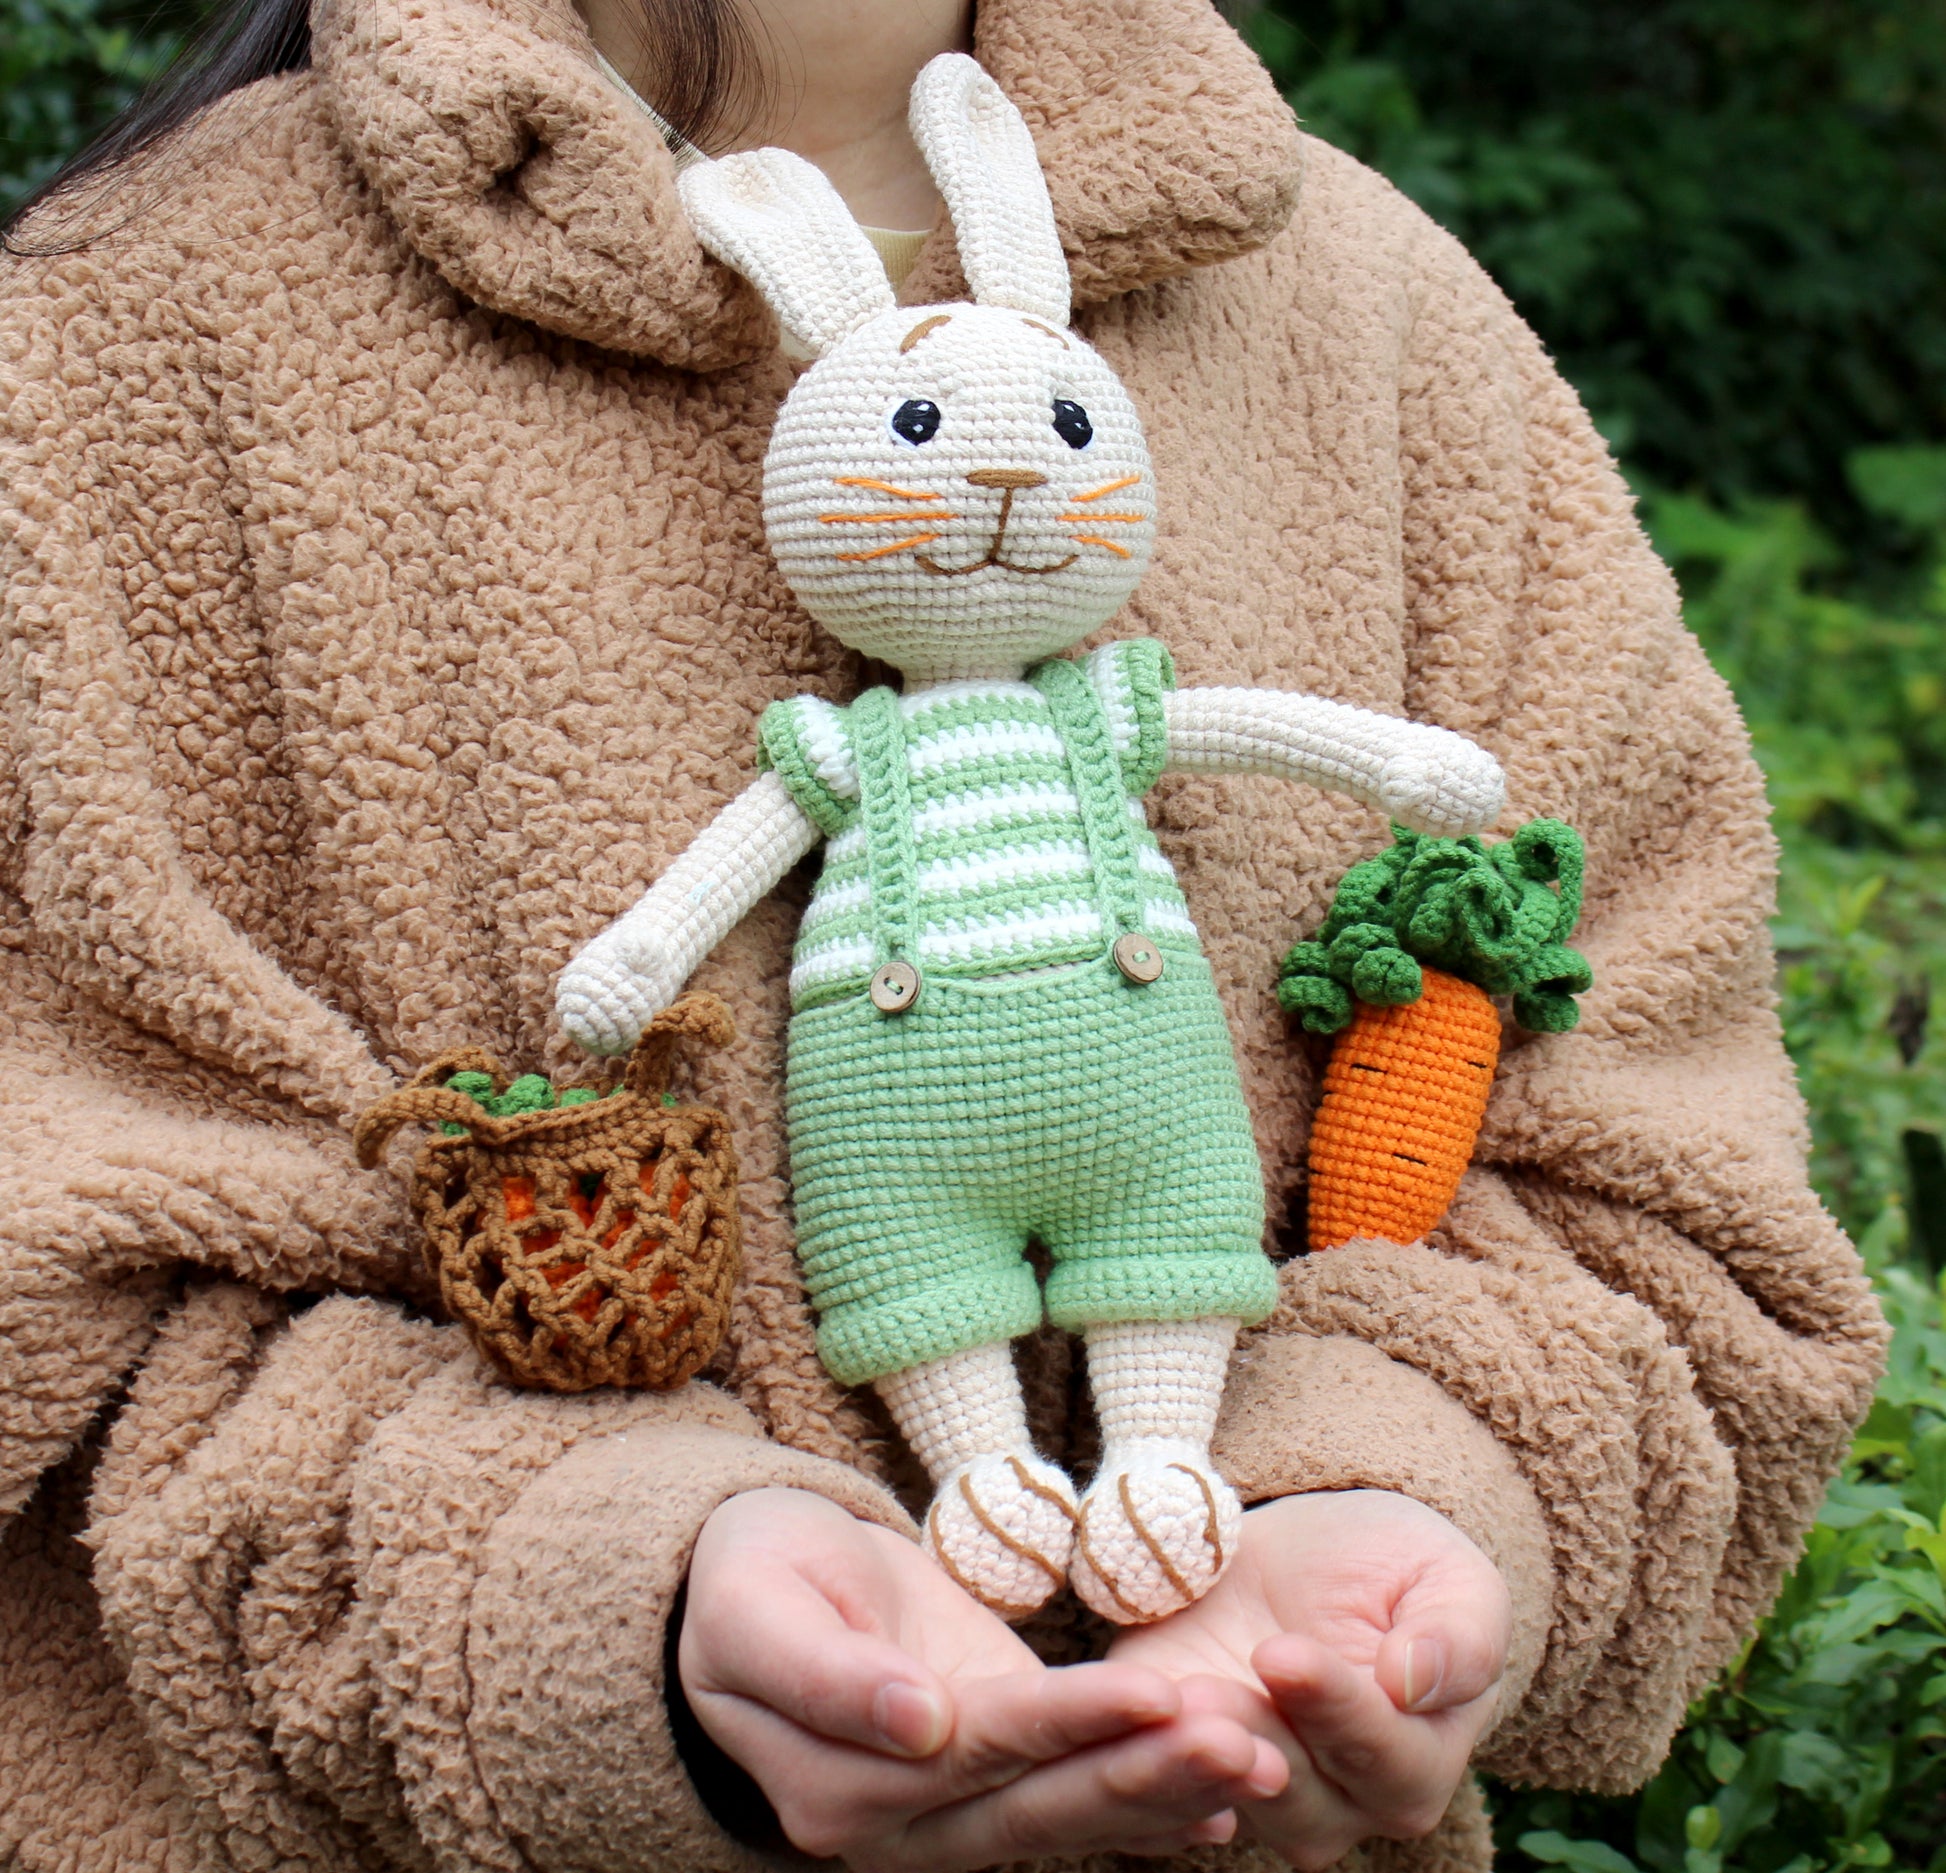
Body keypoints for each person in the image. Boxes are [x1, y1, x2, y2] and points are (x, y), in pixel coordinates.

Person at [0, 0, 1887, 1868]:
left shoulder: (1375, 322)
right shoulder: (113, 345)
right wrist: (592, 1602)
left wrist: (1404, 1481)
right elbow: (56, 1309)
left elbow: (1661, 1183)